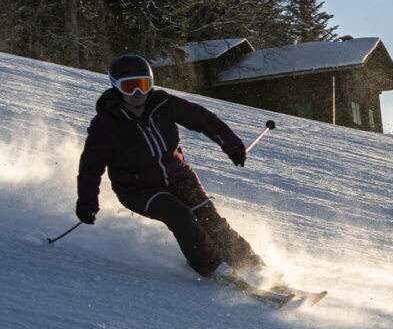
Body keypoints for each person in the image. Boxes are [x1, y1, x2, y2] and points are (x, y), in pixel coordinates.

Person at [76, 54, 268, 282]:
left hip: (179, 176)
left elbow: (202, 119)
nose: (137, 93)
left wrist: (232, 146)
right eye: (130, 87)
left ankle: (250, 264)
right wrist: (87, 203)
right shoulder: (106, 125)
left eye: (143, 85)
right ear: (116, 87)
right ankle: (214, 268)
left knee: (208, 217)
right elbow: (91, 166)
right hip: (137, 189)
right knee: (179, 215)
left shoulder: (163, 104)